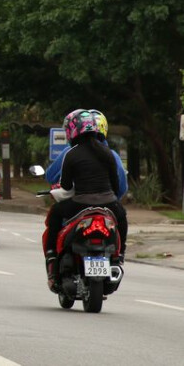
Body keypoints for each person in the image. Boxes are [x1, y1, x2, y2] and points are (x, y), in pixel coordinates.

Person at [43, 109, 129, 292]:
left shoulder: (71, 154)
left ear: (73, 131)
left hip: (80, 205)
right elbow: (116, 186)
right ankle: (120, 255)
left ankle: (51, 255)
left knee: (55, 215)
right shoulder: (109, 154)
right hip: (109, 204)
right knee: (122, 217)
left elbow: (65, 186)